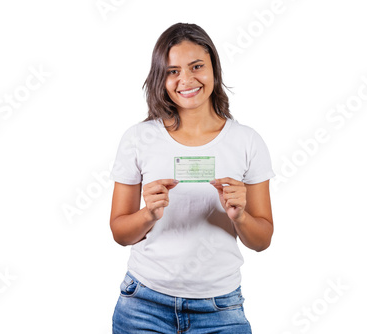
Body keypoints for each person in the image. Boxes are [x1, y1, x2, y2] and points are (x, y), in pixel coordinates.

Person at [109, 22, 275, 333]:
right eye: (172, 71)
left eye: (196, 66)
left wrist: (240, 216)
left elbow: (262, 239)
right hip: (143, 306)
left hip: (220, 309)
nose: (186, 79)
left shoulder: (247, 141)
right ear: (161, 77)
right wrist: (149, 214)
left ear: (214, 67)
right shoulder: (137, 138)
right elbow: (120, 233)